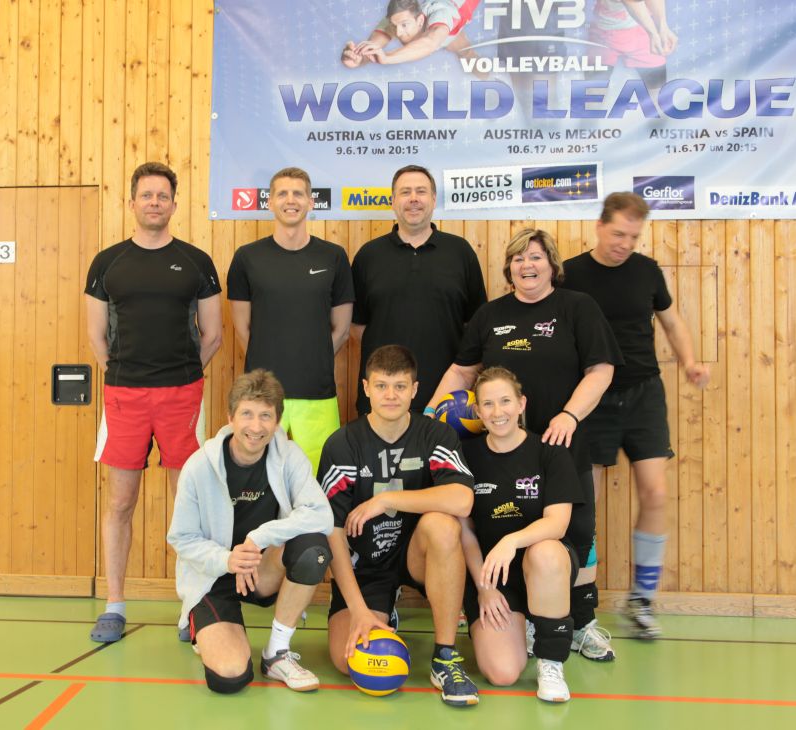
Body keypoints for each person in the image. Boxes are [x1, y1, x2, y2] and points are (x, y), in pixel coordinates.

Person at [427, 228, 622, 662]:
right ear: (508, 268)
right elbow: (461, 371)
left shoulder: (578, 307)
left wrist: (569, 415)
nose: (526, 265)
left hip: (561, 442)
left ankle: (581, 623)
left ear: (552, 265)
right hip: (502, 449)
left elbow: (601, 370)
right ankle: (531, 619)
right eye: (518, 258)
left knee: (576, 534)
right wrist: (428, 417)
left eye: (535, 257)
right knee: (501, 526)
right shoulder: (490, 315)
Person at [85, 162, 222, 643]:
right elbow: (97, 337)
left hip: (182, 395)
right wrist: (127, 373)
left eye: (163, 196)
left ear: (174, 205)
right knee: (121, 501)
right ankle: (114, 604)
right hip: (124, 396)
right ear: (132, 203)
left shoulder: (196, 261)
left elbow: (213, 335)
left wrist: (181, 375)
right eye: (146, 195)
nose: (155, 203)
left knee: (189, 504)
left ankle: (192, 608)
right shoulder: (107, 263)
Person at [561, 191, 709, 639]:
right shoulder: (571, 274)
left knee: (656, 494)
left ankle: (642, 600)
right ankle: (574, 602)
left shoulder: (646, 271)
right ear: (599, 226)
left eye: (633, 236)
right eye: (618, 234)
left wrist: (689, 362)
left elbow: (671, 321)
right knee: (585, 505)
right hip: (592, 397)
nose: (625, 244)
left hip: (643, 394)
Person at [319, 345, 480, 707]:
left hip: (417, 555)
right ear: (366, 388)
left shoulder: (434, 435)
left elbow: (462, 500)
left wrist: (387, 500)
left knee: (443, 525)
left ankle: (445, 656)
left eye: (400, 386)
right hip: (367, 564)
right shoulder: (343, 444)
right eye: (381, 386)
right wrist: (359, 610)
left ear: (414, 389)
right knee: (348, 662)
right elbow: (333, 533)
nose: (390, 395)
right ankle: (378, 606)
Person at [166, 370, 334, 694]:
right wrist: (227, 559)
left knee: (313, 547)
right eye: (247, 414)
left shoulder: (289, 457)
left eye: (265, 416)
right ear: (230, 417)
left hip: (262, 570)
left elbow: (321, 514)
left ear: (278, 421)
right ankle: (204, 626)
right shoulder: (199, 466)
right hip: (215, 577)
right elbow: (181, 538)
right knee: (230, 677)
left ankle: (277, 653)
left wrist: (259, 537)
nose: (256, 427)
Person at [460, 367, 582, 703]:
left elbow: (557, 524)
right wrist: (484, 588)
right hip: (492, 575)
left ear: (521, 404)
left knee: (545, 552)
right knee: (502, 673)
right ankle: (523, 624)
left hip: (543, 566)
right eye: (488, 404)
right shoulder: (466, 455)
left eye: (505, 401)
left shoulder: (549, 451)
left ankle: (550, 662)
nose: (497, 411)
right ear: (477, 411)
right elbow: (464, 530)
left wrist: (511, 541)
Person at [227, 167, 355, 473]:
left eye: (298, 193)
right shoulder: (247, 257)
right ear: (270, 202)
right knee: (258, 480)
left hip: (318, 394)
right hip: (262, 397)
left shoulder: (334, 257)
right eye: (282, 193)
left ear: (311, 202)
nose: (290, 200)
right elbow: (243, 330)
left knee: (319, 482)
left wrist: (311, 360)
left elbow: (341, 330)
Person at [351, 165, 486, 416]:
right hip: (383, 399)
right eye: (405, 192)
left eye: (421, 191)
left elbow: (475, 324)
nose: (413, 198)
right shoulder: (368, 256)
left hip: (447, 401)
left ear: (433, 199)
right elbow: (357, 326)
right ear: (393, 201)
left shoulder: (460, 252)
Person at [342, 0, 483, 69]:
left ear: (420, 20)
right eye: (394, 26)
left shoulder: (441, 14)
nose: (398, 33)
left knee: (466, 54)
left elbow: (430, 43)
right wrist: (359, 57)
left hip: (453, 13)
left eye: (404, 25)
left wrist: (387, 58)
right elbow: (372, 47)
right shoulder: (398, 17)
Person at [586, 0, 678, 89]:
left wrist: (663, 27)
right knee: (594, 91)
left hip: (642, 33)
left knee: (657, 89)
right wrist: (654, 33)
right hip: (603, 36)